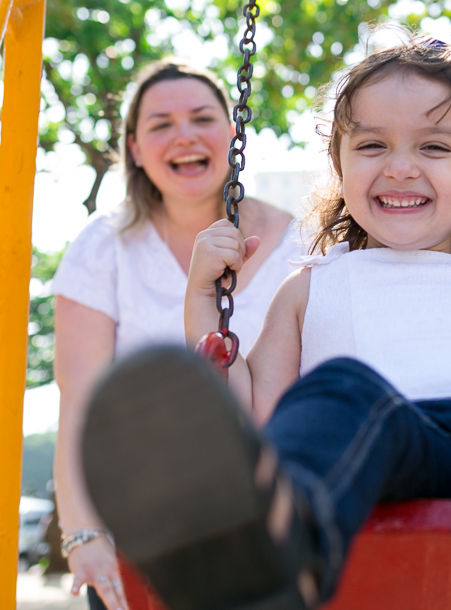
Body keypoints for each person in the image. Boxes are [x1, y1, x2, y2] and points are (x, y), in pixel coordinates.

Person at [80, 36, 451, 610]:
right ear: (340, 164)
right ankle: (273, 561)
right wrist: (204, 298)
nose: (400, 168)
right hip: (380, 444)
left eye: (434, 146)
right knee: (338, 390)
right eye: (372, 145)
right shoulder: (310, 285)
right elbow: (254, 410)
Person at [51, 59, 303, 610]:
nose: (184, 135)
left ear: (233, 133)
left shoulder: (301, 243)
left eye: (201, 118)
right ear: (136, 148)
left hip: (269, 519)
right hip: (149, 527)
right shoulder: (104, 246)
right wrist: (84, 535)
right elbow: (80, 403)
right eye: (161, 124)